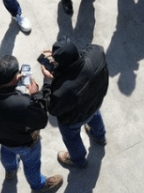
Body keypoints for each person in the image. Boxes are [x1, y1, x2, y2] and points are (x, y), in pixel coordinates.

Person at [0, 54, 65, 193]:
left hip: (1, 137)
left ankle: (10, 171)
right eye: (17, 74)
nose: (20, 75)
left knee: (7, 153)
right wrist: (37, 94)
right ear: (13, 79)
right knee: (32, 165)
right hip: (24, 143)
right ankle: (38, 185)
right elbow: (41, 121)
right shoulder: (23, 104)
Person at [41, 37, 109, 169]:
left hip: (75, 118)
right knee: (95, 116)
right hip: (95, 102)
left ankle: (78, 160)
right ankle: (100, 136)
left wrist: (47, 81)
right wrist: (65, 55)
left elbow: (53, 109)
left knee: (71, 138)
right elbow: (89, 49)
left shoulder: (64, 88)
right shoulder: (97, 54)